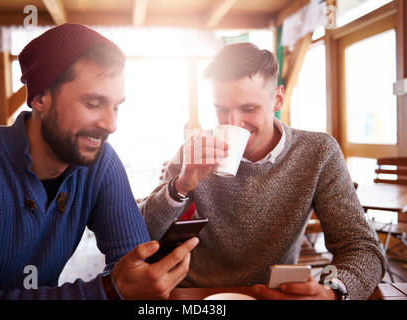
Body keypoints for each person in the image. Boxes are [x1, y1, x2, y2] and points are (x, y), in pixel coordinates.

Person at [0, 23, 198, 300]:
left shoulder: (100, 161)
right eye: (92, 104)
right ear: (39, 98)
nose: (110, 124)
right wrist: (109, 290)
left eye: (116, 106)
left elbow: (134, 261)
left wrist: (146, 278)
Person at [139, 42, 386, 300]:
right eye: (222, 110)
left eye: (249, 109)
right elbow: (140, 234)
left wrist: (332, 292)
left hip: (274, 295)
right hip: (199, 294)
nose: (234, 123)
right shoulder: (194, 151)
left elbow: (363, 247)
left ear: (277, 99)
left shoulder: (318, 153)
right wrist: (179, 186)